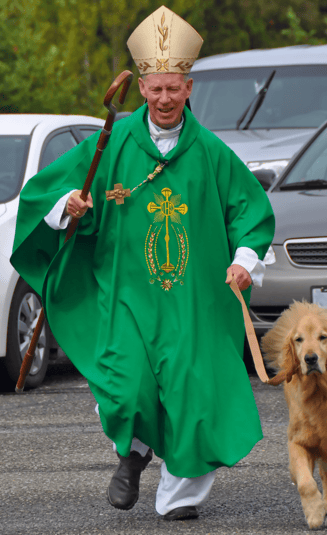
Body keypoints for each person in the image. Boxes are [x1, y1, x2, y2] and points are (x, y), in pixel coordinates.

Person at [11, 6, 275, 521]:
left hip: (192, 302)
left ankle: (179, 497)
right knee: (126, 383)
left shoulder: (214, 154)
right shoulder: (110, 145)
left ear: (189, 88)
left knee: (193, 392)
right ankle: (130, 455)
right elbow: (48, 193)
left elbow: (250, 212)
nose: (164, 99)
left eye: (174, 89)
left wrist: (244, 260)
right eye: (155, 90)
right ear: (142, 89)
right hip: (124, 295)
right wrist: (70, 207)